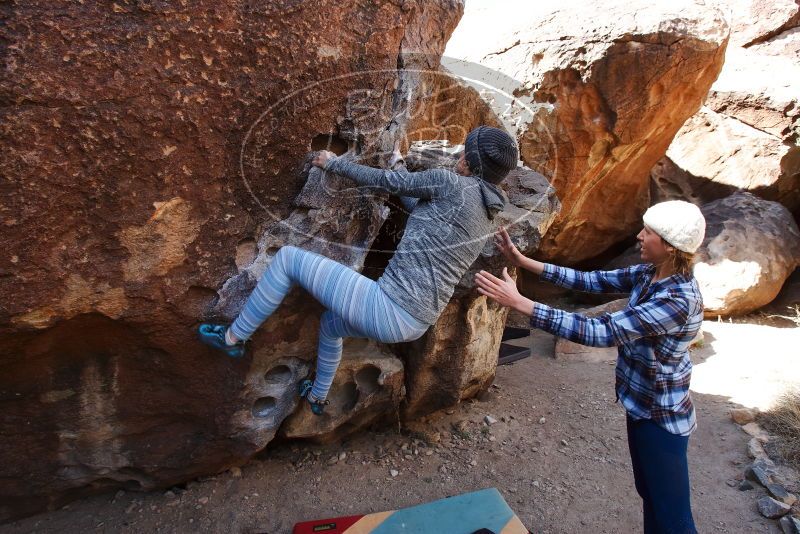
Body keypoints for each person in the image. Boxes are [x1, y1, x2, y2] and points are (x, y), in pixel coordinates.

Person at [199, 126, 519, 415]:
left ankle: (233, 337)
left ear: (472, 161)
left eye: (466, 150)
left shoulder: (451, 184)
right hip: (416, 322)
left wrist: (332, 163)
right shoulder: (487, 215)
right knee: (331, 325)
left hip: (388, 307)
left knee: (287, 261)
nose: (460, 153)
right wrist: (397, 162)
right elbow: (419, 208)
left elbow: (387, 183)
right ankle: (318, 397)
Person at [474, 200, 705, 534]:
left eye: (648, 232)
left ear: (669, 247)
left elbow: (603, 331)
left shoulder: (678, 300)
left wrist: (521, 304)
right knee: (651, 497)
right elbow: (592, 281)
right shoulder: (652, 273)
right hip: (640, 406)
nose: (639, 236)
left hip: (661, 418)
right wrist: (524, 262)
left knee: (673, 519)